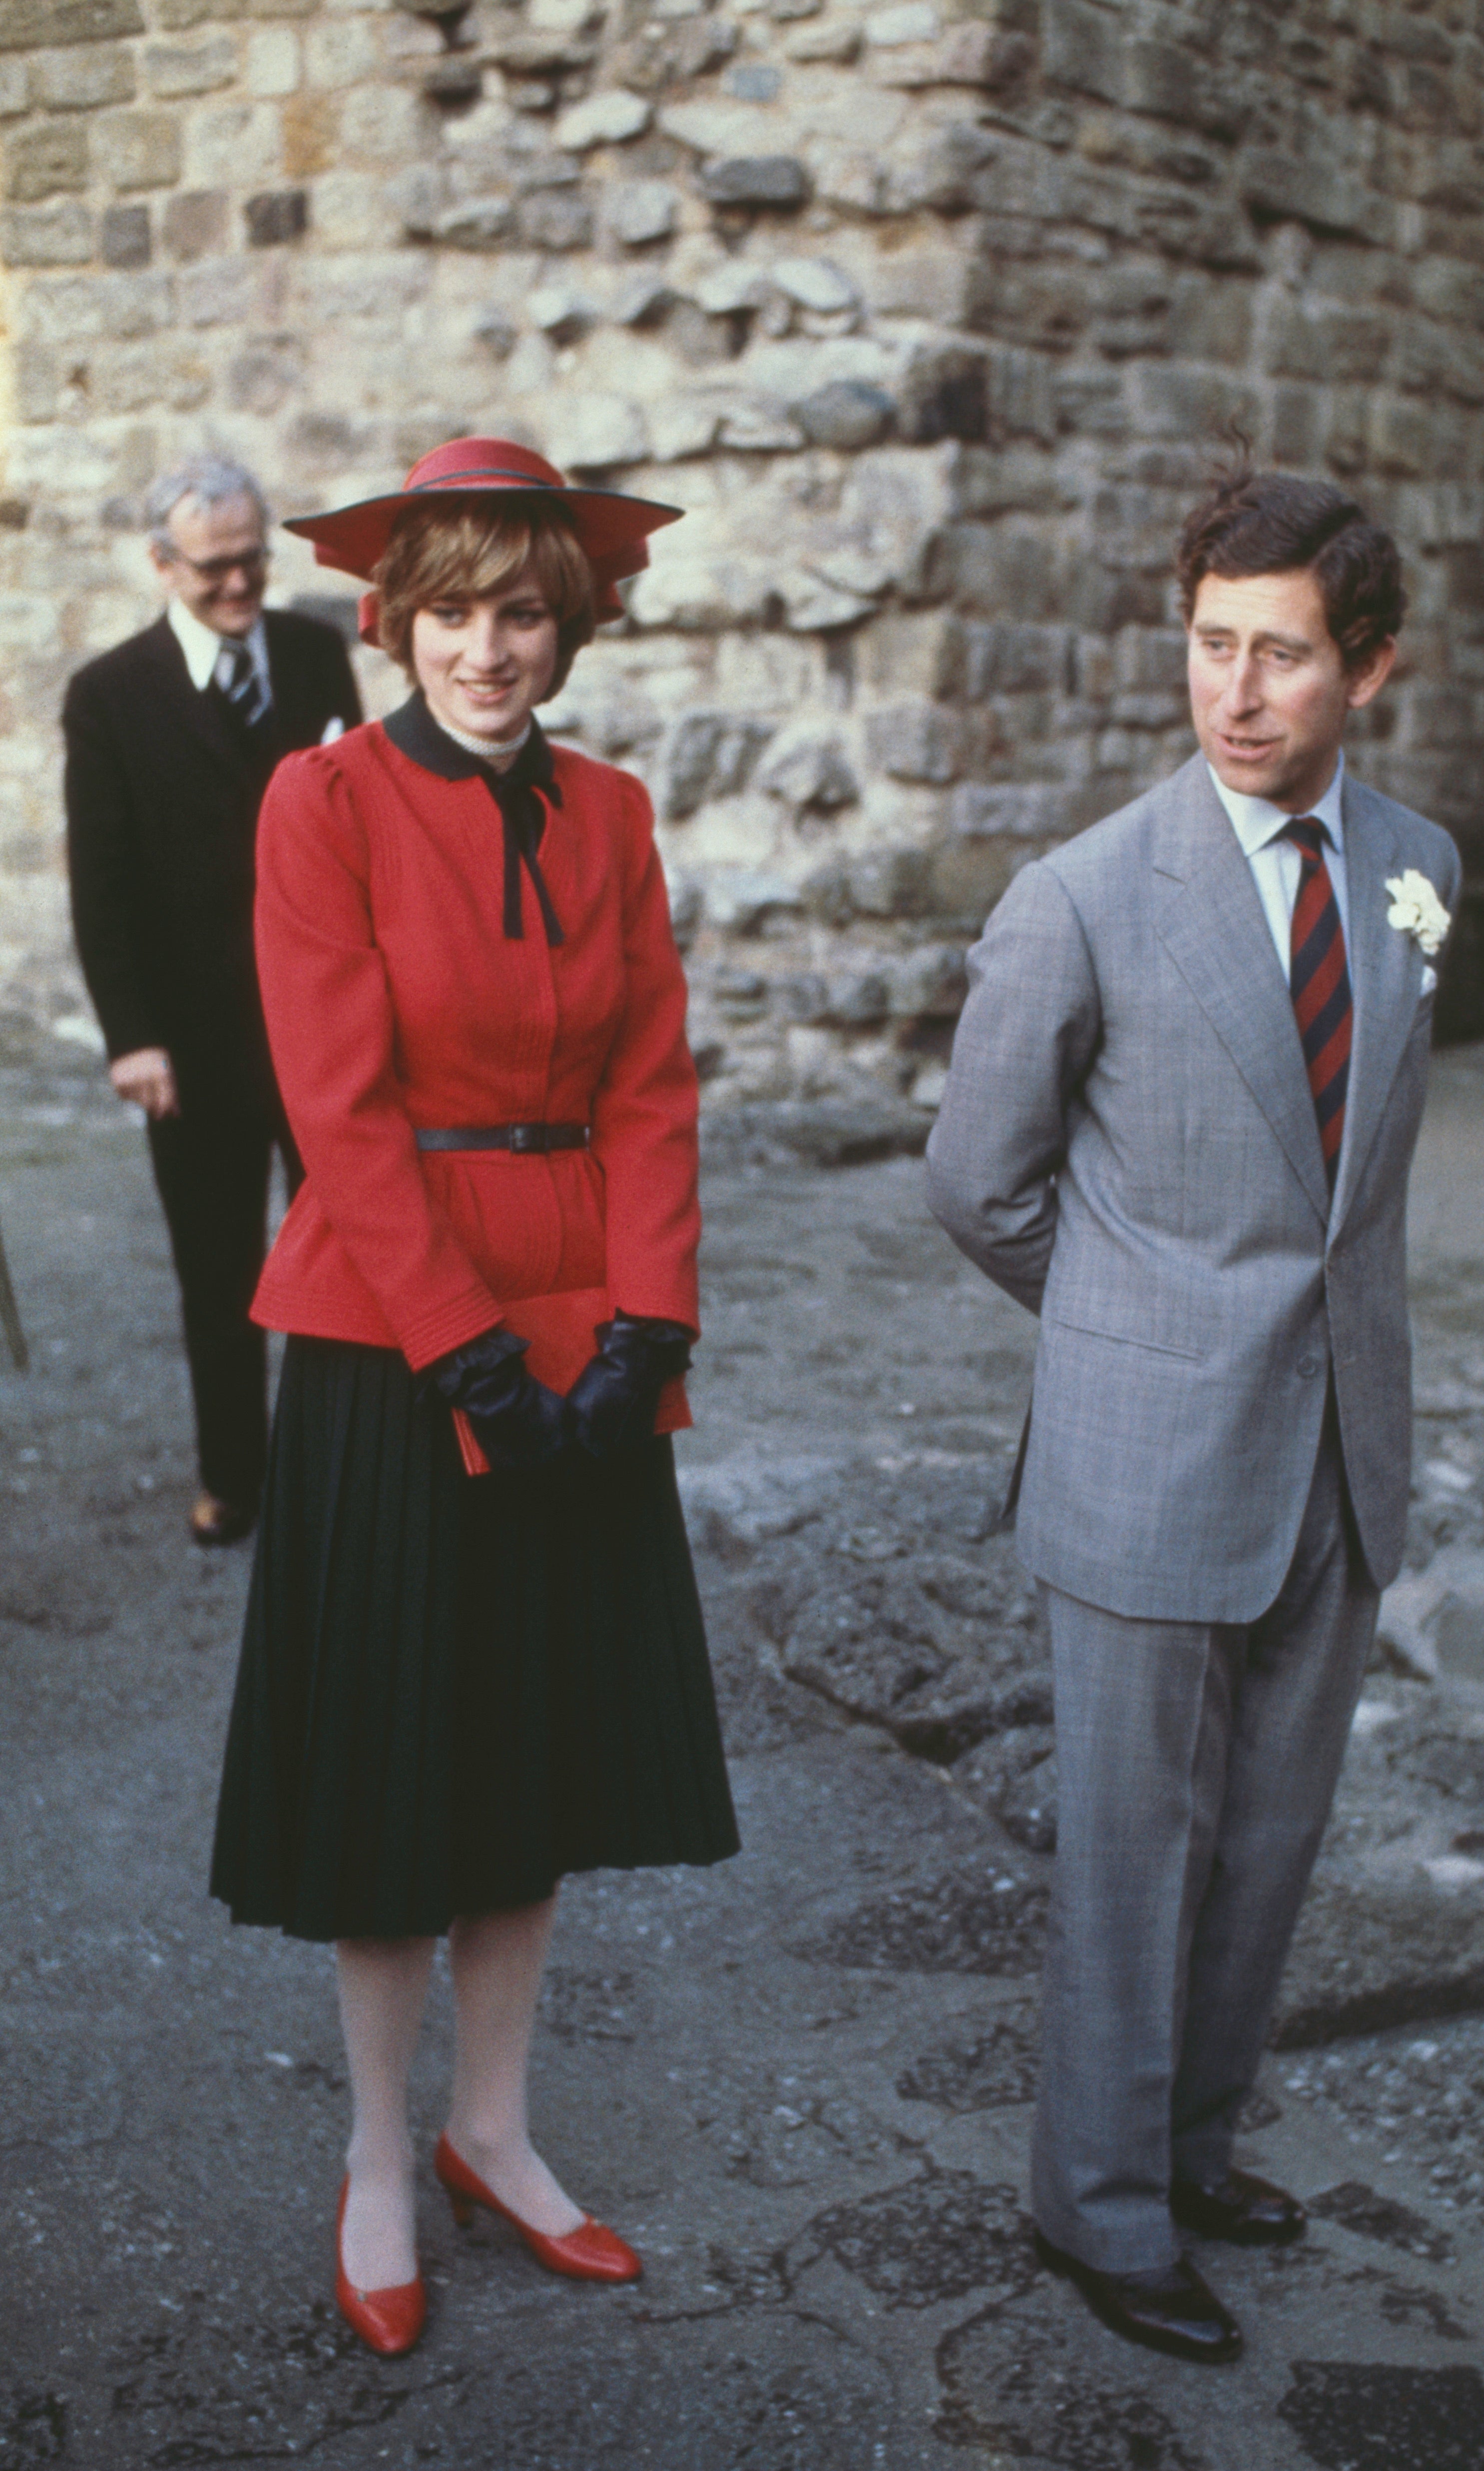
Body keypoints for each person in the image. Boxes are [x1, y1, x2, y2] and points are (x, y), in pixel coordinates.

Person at [207, 437, 739, 2359]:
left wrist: (645, 1326)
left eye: (523, 610)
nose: (486, 649)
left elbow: (655, 1082)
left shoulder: (608, 811)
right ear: (394, 619)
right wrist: (462, 1347)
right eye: (451, 610)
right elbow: (335, 1109)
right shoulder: (320, 798)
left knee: (535, 1747)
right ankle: (373, 2151)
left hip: (584, 1324)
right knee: (399, 1762)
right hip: (390, 1328)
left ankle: (493, 2128)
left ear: (567, 625)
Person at [925, 466, 1460, 2366]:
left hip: (1338, 1443)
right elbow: (977, 1181)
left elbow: (1356, 1175)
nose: (1235, 691)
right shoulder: (1078, 896)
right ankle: (1101, 2210)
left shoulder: (1417, 868)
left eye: (1283, 656)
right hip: (1146, 1445)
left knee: (1269, 1837)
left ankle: (1188, 2143)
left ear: (1367, 669)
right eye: (1209, 645)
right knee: (1133, 1849)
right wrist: (1131, 1336)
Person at [63, 456, 364, 1545]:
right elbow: (101, 882)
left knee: (353, 1251)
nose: (240, 586)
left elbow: (357, 828)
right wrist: (132, 1037)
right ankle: (236, 1478)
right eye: (215, 568)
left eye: (254, 561)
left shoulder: (320, 655)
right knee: (219, 1272)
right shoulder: (107, 695)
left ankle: (353, 1468)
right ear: (161, 564)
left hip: (321, 1025)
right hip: (188, 1043)